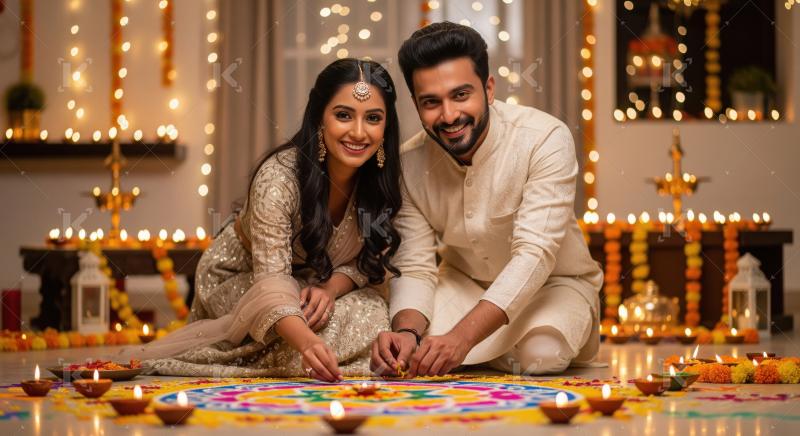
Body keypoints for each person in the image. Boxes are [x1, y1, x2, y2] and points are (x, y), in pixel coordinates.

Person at [128, 59, 402, 382]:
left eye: (373, 118)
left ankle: (304, 348)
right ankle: (290, 352)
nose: (358, 132)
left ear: (386, 127)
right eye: (343, 115)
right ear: (319, 118)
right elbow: (271, 285)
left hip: (314, 285)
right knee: (312, 324)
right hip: (244, 280)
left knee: (373, 312)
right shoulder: (278, 179)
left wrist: (330, 288)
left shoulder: (377, 180)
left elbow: (367, 263)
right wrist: (308, 343)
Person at [371, 22, 603, 377]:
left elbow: (534, 255)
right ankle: (486, 352)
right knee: (411, 353)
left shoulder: (544, 139)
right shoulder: (408, 164)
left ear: (489, 89)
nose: (449, 116)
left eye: (461, 95)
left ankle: (484, 354)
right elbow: (415, 265)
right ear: (416, 105)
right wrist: (407, 331)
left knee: (540, 356)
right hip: (463, 287)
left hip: (553, 285)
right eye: (431, 102)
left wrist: (462, 340)